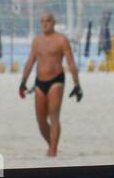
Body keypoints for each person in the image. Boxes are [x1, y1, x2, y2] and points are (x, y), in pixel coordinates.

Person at [18, 12, 81, 157]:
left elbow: (71, 61)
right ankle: (52, 145)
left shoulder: (61, 40)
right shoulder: (37, 41)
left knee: (54, 117)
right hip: (39, 82)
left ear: (54, 23)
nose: (44, 24)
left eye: (47, 21)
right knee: (40, 121)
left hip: (56, 80)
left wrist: (77, 84)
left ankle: (53, 151)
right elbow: (30, 62)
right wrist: (22, 83)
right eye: (42, 21)